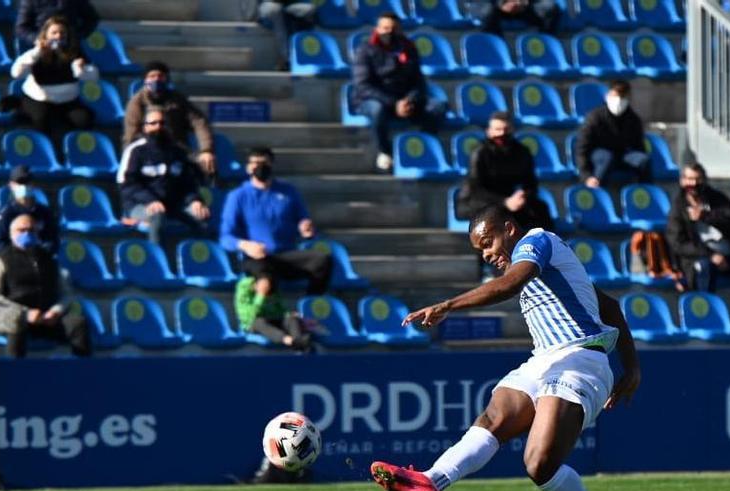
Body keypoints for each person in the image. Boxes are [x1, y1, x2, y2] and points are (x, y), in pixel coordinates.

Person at [369, 205, 641, 491]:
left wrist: (450, 304)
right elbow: (607, 304)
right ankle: (431, 481)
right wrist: (633, 365)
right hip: (545, 358)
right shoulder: (545, 268)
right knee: (495, 416)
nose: (486, 254)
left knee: (539, 463)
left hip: (582, 357)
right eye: (480, 249)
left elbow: (512, 283)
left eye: (488, 242)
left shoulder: (537, 241)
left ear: (510, 229)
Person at [219, 146, 331, 295]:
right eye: (255, 163)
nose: (260, 167)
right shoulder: (238, 196)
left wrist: (305, 227)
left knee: (321, 260)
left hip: (286, 255)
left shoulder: (288, 192)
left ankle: (308, 306)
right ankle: (262, 311)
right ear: (248, 168)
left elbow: (303, 220)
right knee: (265, 277)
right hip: (258, 257)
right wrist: (245, 245)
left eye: (265, 163)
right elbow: (225, 237)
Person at [0, 214, 91, 358]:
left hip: (46, 318)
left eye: (31, 230)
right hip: (16, 317)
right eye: (21, 230)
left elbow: (66, 293)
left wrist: (55, 311)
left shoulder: (50, 259)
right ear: (11, 234)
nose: (27, 234)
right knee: (15, 323)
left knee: (77, 323)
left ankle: (82, 372)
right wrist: (25, 314)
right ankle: (15, 372)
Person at [351, 11, 447, 172]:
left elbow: (419, 81)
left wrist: (410, 100)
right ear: (377, 29)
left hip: (404, 100)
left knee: (437, 107)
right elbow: (363, 86)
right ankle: (385, 151)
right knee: (377, 109)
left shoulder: (408, 48)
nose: (389, 32)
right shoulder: (365, 50)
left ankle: (423, 145)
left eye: (393, 28)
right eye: (385, 28)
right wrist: (394, 103)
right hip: (375, 100)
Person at [117, 106, 210, 248]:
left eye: (162, 123)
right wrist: (150, 200)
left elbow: (188, 183)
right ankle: (157, 262)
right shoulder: (135, 151)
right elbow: (127, 184)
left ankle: (202, 263)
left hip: (173, 206)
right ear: (145, 127)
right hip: (139, 206)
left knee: (200, 214)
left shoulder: (177, 151)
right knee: (157, 215)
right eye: (153, 123)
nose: (158, 127)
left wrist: (195, 200)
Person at [665, 162, 730, 293]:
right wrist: (711, 255)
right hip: (700, 256)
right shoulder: (678, 207)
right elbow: (678, 243)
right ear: (682, 181)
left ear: (704, 180)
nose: (693, 184)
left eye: (697, 179)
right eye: (689, 180)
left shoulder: (717, 199)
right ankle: (708, 310)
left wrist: (706, 216)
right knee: (704, 269)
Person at [456, 112, 552, 230]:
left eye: (506, 129)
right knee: (497, 214)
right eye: (497, 129)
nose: (502, 134)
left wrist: (523, 195)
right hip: (479, 200)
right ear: (489, 131)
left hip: (511, 199)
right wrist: (505, 202)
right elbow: (476, 189)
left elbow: (531, 182)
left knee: (540, 208)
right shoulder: (480, 153)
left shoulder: (522, 152)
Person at [10, 15, 98, 141]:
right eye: (54, 33)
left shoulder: (75, 52)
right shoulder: (36, 53)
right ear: (46, 35)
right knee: (39, 120)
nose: (58, 36)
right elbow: (16, 73)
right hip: (38, 99)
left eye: (62, 32)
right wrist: (36, 53)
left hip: (68, 101)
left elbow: (94, 76)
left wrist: (82, 70)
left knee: (83, 120)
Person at [123, 60, 217, 177]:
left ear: (166, 79)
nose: (156, 79)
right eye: (152, 76)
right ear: (145, 80)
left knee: (205, 166)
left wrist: (206, 150)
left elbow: (199, 122)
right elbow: (131, 135)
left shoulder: (177, 99)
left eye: (160, 76)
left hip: (178, 151)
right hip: (149, 152)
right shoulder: (136, 103)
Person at [576, 80, 650, 188]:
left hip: (623, 156)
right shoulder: (595, 117)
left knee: (643, 160)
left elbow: (639, 147)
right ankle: (596, 189)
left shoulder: (633, 119)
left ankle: (645, 192)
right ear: (607, 96)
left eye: (623, 97)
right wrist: (586, 176)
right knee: (606, 158)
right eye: (615, 95)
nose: (619, 100)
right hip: (600, 154)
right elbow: (582, 149)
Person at [0, 165, 58, 258]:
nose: (24, 186)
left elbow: (52, 240)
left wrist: (39, 253)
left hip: (38, 260)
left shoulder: (45, 213)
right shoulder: (5, 214)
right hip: (9, 262)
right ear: (11, 185)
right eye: (19, 182)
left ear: (33, 185)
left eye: (27, 182)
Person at [234, 275, 313, 353]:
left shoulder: (273, 287)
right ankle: (291, 341)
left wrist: (289, 314)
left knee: (291, 319)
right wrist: (260, 295)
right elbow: (250, 317)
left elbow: (280, 310)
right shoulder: (243, 288)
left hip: (272, 320)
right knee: (258, 322)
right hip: (252, 324)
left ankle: (298, 343)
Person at [14, 0, 98, 51]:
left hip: (70, 50)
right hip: (41, 50)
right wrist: (37, 39)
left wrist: (76, 36)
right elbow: (21, 27)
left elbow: (91, 18)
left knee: (88, 72)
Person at [257, 0, 317, 71]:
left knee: (308, 10)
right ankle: (287, 60)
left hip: (293, 4)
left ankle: (306, 57)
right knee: (277, 11)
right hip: (269, 4)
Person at [477, 0, 561, 36]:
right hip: (498, 7)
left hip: (525, 7)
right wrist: (503, 3)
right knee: (488, 11)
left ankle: (546, 40)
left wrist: (523, 2)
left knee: (551, 7)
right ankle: (495, 44)